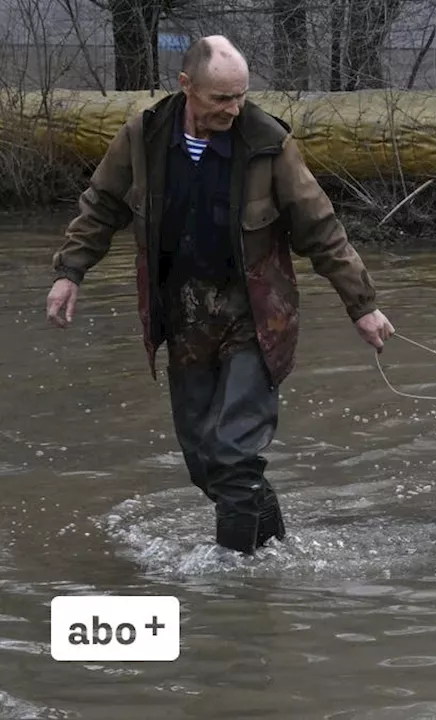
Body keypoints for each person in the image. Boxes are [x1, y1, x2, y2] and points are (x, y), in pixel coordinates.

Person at [44, 35, 396, 555]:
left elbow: (321, 229)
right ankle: (274, 545)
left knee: (233, 453)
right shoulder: (143, 137)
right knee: (205, 461)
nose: (234, 109)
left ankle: (233, 582)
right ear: (187, 86)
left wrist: (362, 307)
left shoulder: (268, 144)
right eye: (221, 99)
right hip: (184, 314)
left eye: (240, 97)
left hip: (255, 315)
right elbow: (100, 206)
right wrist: (70, 271)